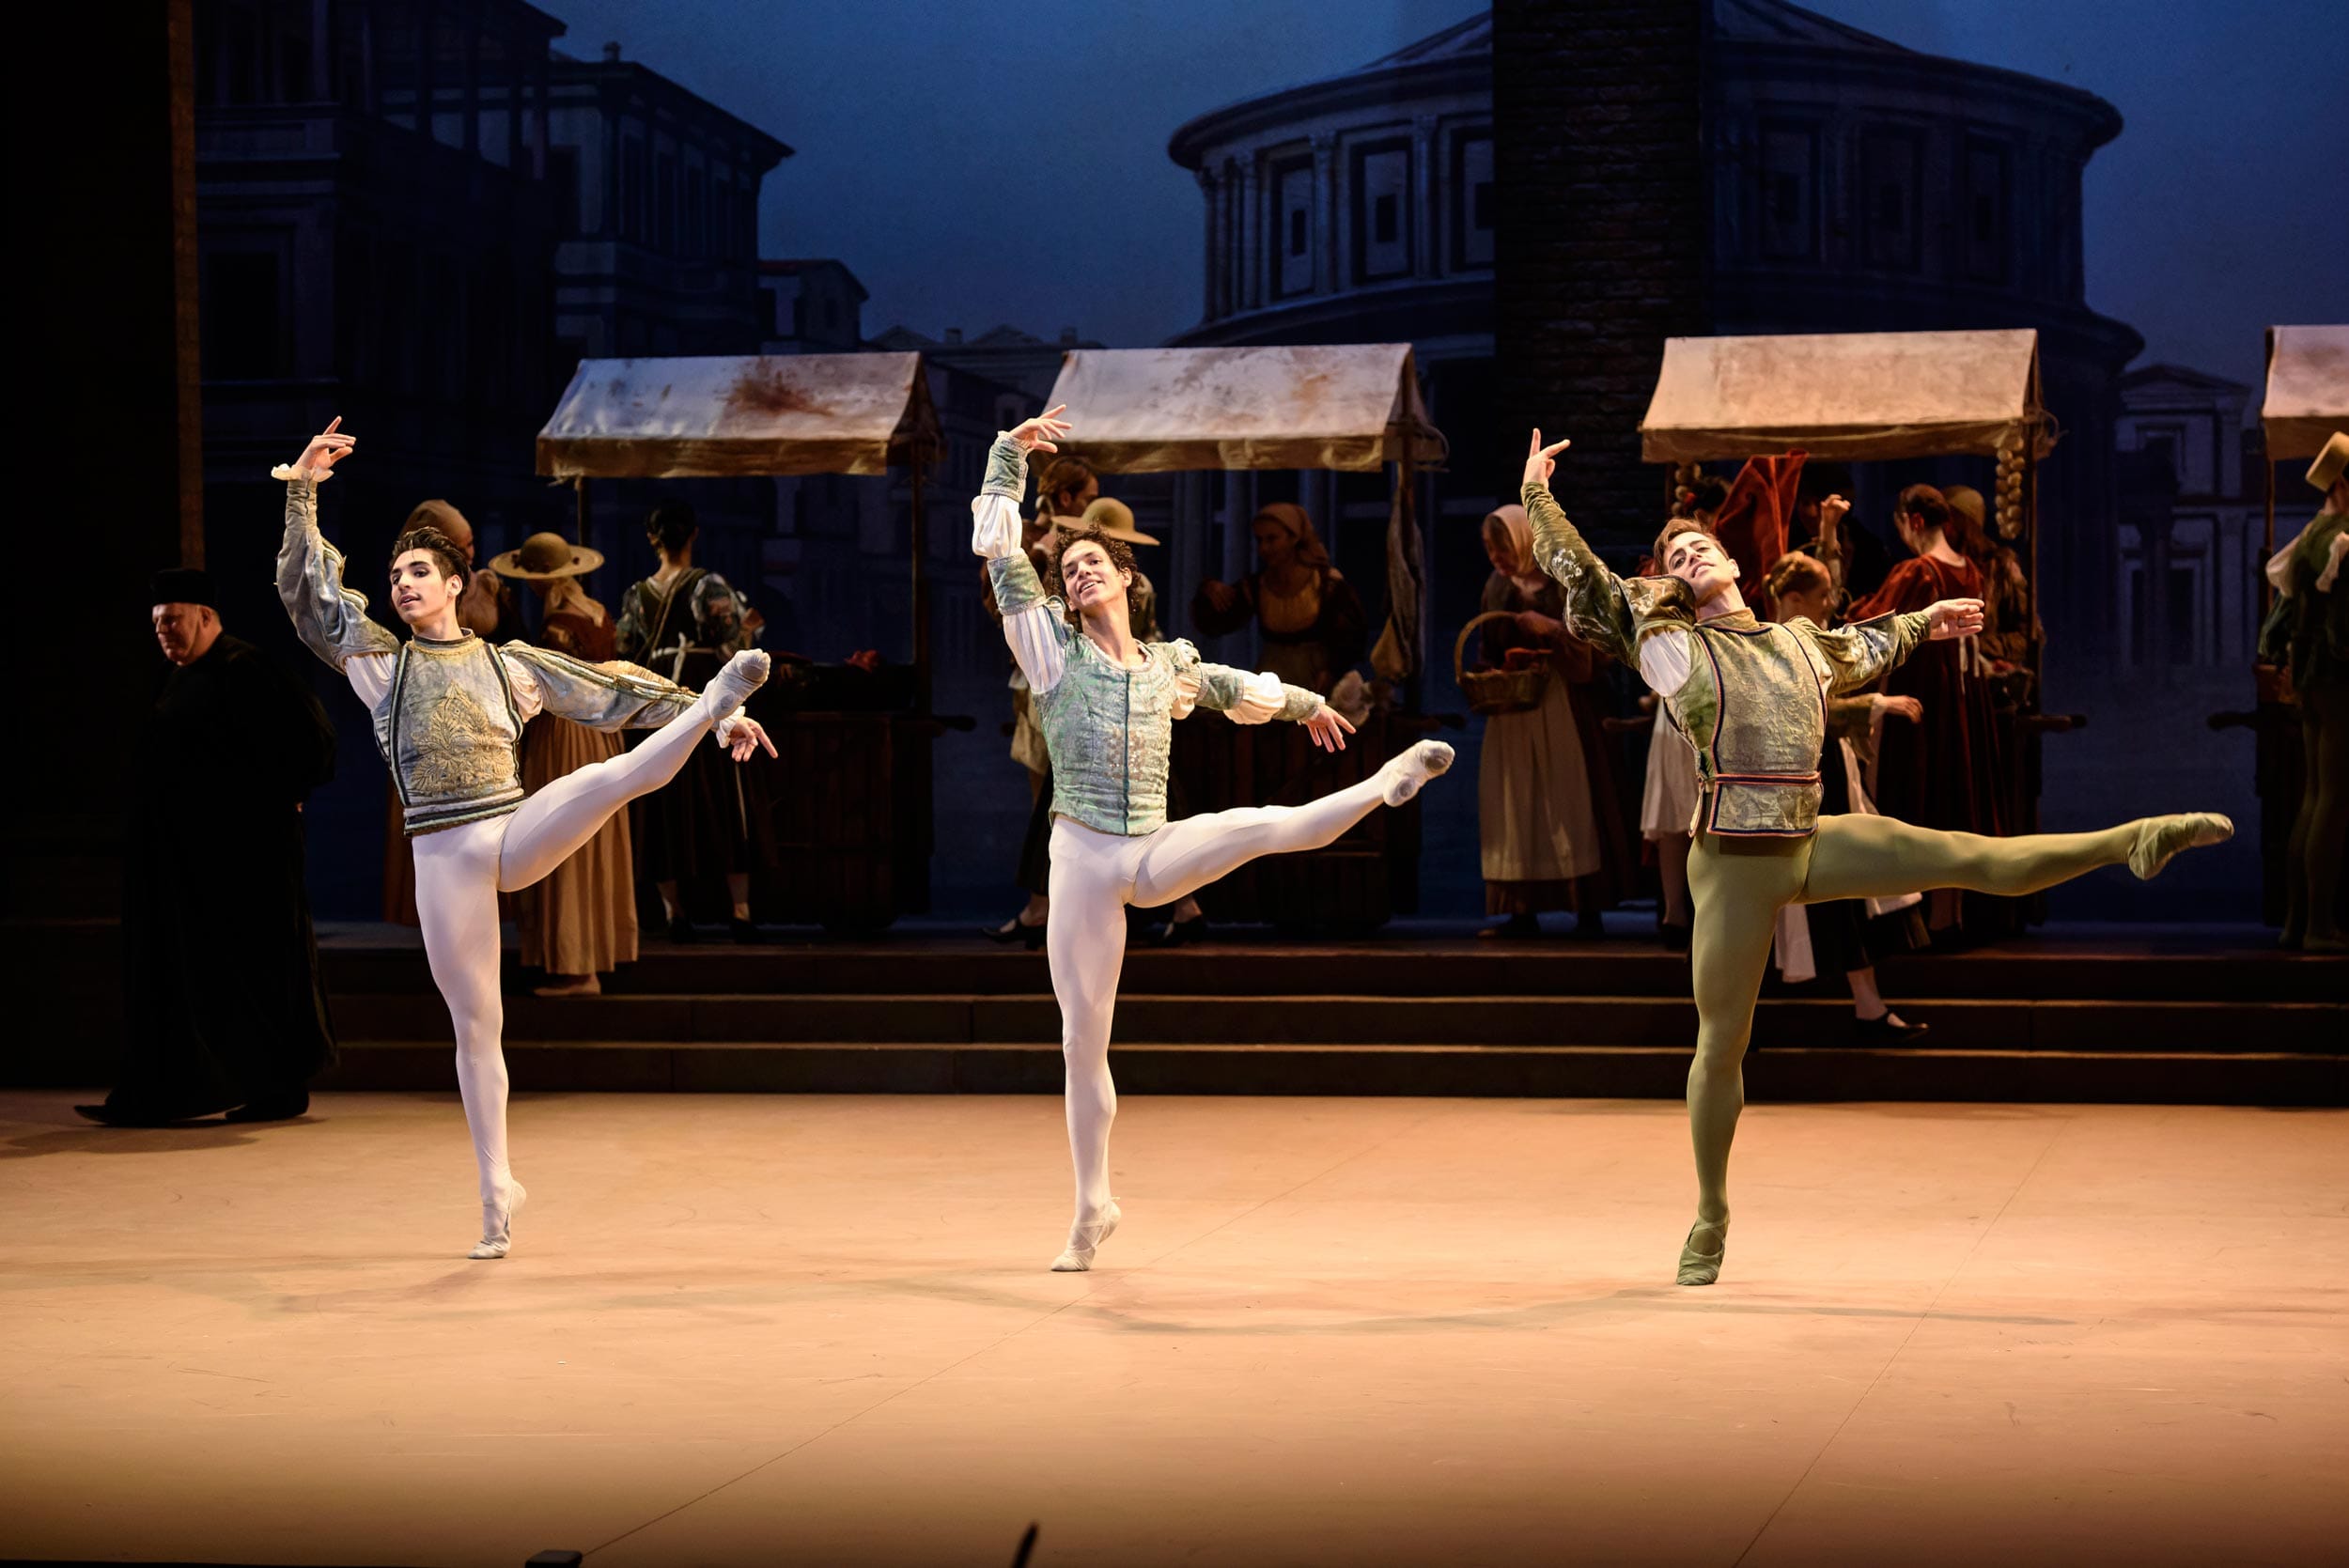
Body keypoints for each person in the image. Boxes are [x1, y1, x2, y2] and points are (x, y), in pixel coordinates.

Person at [1517, 428, 2231, 1288]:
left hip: (1809, 839)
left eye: (1703, 541)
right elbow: (1587, 579)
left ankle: (2133, 841)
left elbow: (1868, 641)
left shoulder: (1798, 641)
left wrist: (1931, 619)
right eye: (1677, 550)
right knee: (1721, 1044)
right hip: (1734, 860)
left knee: (1973, 856)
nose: (1694, 550)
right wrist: (1539, 496)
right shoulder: (1672, 647)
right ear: (1668, 577)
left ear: (1739, 561)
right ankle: (1711, 1210)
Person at [276, 419, 776, 1259]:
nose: (401, 584)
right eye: (395, 573)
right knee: (477, 1029)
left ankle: (711, 702)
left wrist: (726, 709)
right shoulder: (382, 669)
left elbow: (611, 691)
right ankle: (494, 1193)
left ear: (456, 582)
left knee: (610, 778)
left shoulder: (509, 663)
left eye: (418, 572)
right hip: (444, 863)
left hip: (509, 833)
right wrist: (302, 495)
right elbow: (313, 603)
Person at [978, 408, 1454, 1271]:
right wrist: (1008, 454)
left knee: (1253, 827)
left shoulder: (1168, 665)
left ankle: (1383, 788)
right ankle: (1093, 1208)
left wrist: (1312, 706)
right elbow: (1004, 555)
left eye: (1093, 563)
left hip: (1148, 847)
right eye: (1069, 567)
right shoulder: (1052, 651)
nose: (1077, 572)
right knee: (1083, 1040)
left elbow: (1236, 684)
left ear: (1125, 578)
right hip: (1082, 851)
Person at [77, 570, 339, 1126]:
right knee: (210, 975)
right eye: (156, 624)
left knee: (255, 968)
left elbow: (312, 743)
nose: (164, 632)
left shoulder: (245, 669)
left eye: (172, 620)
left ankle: (277, 1087)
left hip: (244, 859)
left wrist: (280, 799)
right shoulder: (184, 675)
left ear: (205, 617)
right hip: (193, 858)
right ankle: (195, 1089)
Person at [1761, 551, 1930, 1041]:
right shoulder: (1773, 644)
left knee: (1850, 889)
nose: (1832, 604)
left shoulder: (1808, 639)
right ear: (1794, 600)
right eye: (1822, 596)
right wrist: (1875, 703)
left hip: (1825, 773)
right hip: (1796, 783)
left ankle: (1868, 1004)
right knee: (1808, 893)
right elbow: (1805, 708)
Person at [1842, 484, 2009, 933]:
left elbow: (1870, 620)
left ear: (1914, 521)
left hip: (1927, 697)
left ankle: (1927, 920)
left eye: (1902, 527)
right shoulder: (1970, 569)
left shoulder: (1918, 570)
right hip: (1965, 700)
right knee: (1955, 795)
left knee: (1924, 794)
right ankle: (1948, 914)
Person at [490, 532, 638, 997]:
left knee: (561, 838)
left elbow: (547, 688)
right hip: (597, 734)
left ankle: (577, 966)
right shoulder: (597, 613)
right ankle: (587, 957)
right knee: (587, 839)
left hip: (566, 737)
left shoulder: (558, 624)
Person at [615, 501, 770, 942]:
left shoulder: (636, 595)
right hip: (707, 706)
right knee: (726, 804)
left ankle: (674, 912)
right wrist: (749, 630)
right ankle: (739, 911)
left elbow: (625, 648)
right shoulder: (709, 587)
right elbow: (728, 652)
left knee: (664, 810)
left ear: (653, 538)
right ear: (694, 535)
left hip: (661, 712)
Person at [1473, 504, 1624, 938]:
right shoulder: (1497, 587)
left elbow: (1600, 643)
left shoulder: (1564, 580)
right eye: (1490, 550)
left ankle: (1585, 908)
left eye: (1502, 549)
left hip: (1563, 704)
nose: (1496, 559)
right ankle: (1522, 911)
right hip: (1515, 709)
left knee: (1568, 801)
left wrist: (1553, 630)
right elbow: (1488, 643)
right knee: (1516, 806)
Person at [381, 501, 507, 927]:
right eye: (461, 544)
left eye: (471, 545)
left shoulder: (477, 585)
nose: (470, 553)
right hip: (428, 732)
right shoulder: (414, 603)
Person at [2262, 430, 2349, 950]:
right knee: (2333, 799)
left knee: (2314, 796)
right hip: (2338, 680)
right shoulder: (2341, 539)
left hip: (2312, 679)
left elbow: (2287, 617)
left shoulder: (2314, 534)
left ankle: (2296, 924)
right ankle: (2318, 926)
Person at [1192, 502, 1369, 697]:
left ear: (1294, 538)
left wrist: (1333, 670)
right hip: (1272, 678)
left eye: (1272, 539)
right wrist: (1210, 591)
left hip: (1316, 678)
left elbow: (1352, 636)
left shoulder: (1326, 583)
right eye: (1259, 540)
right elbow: (1217, 622)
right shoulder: (1257, 586)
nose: (1264, 548)